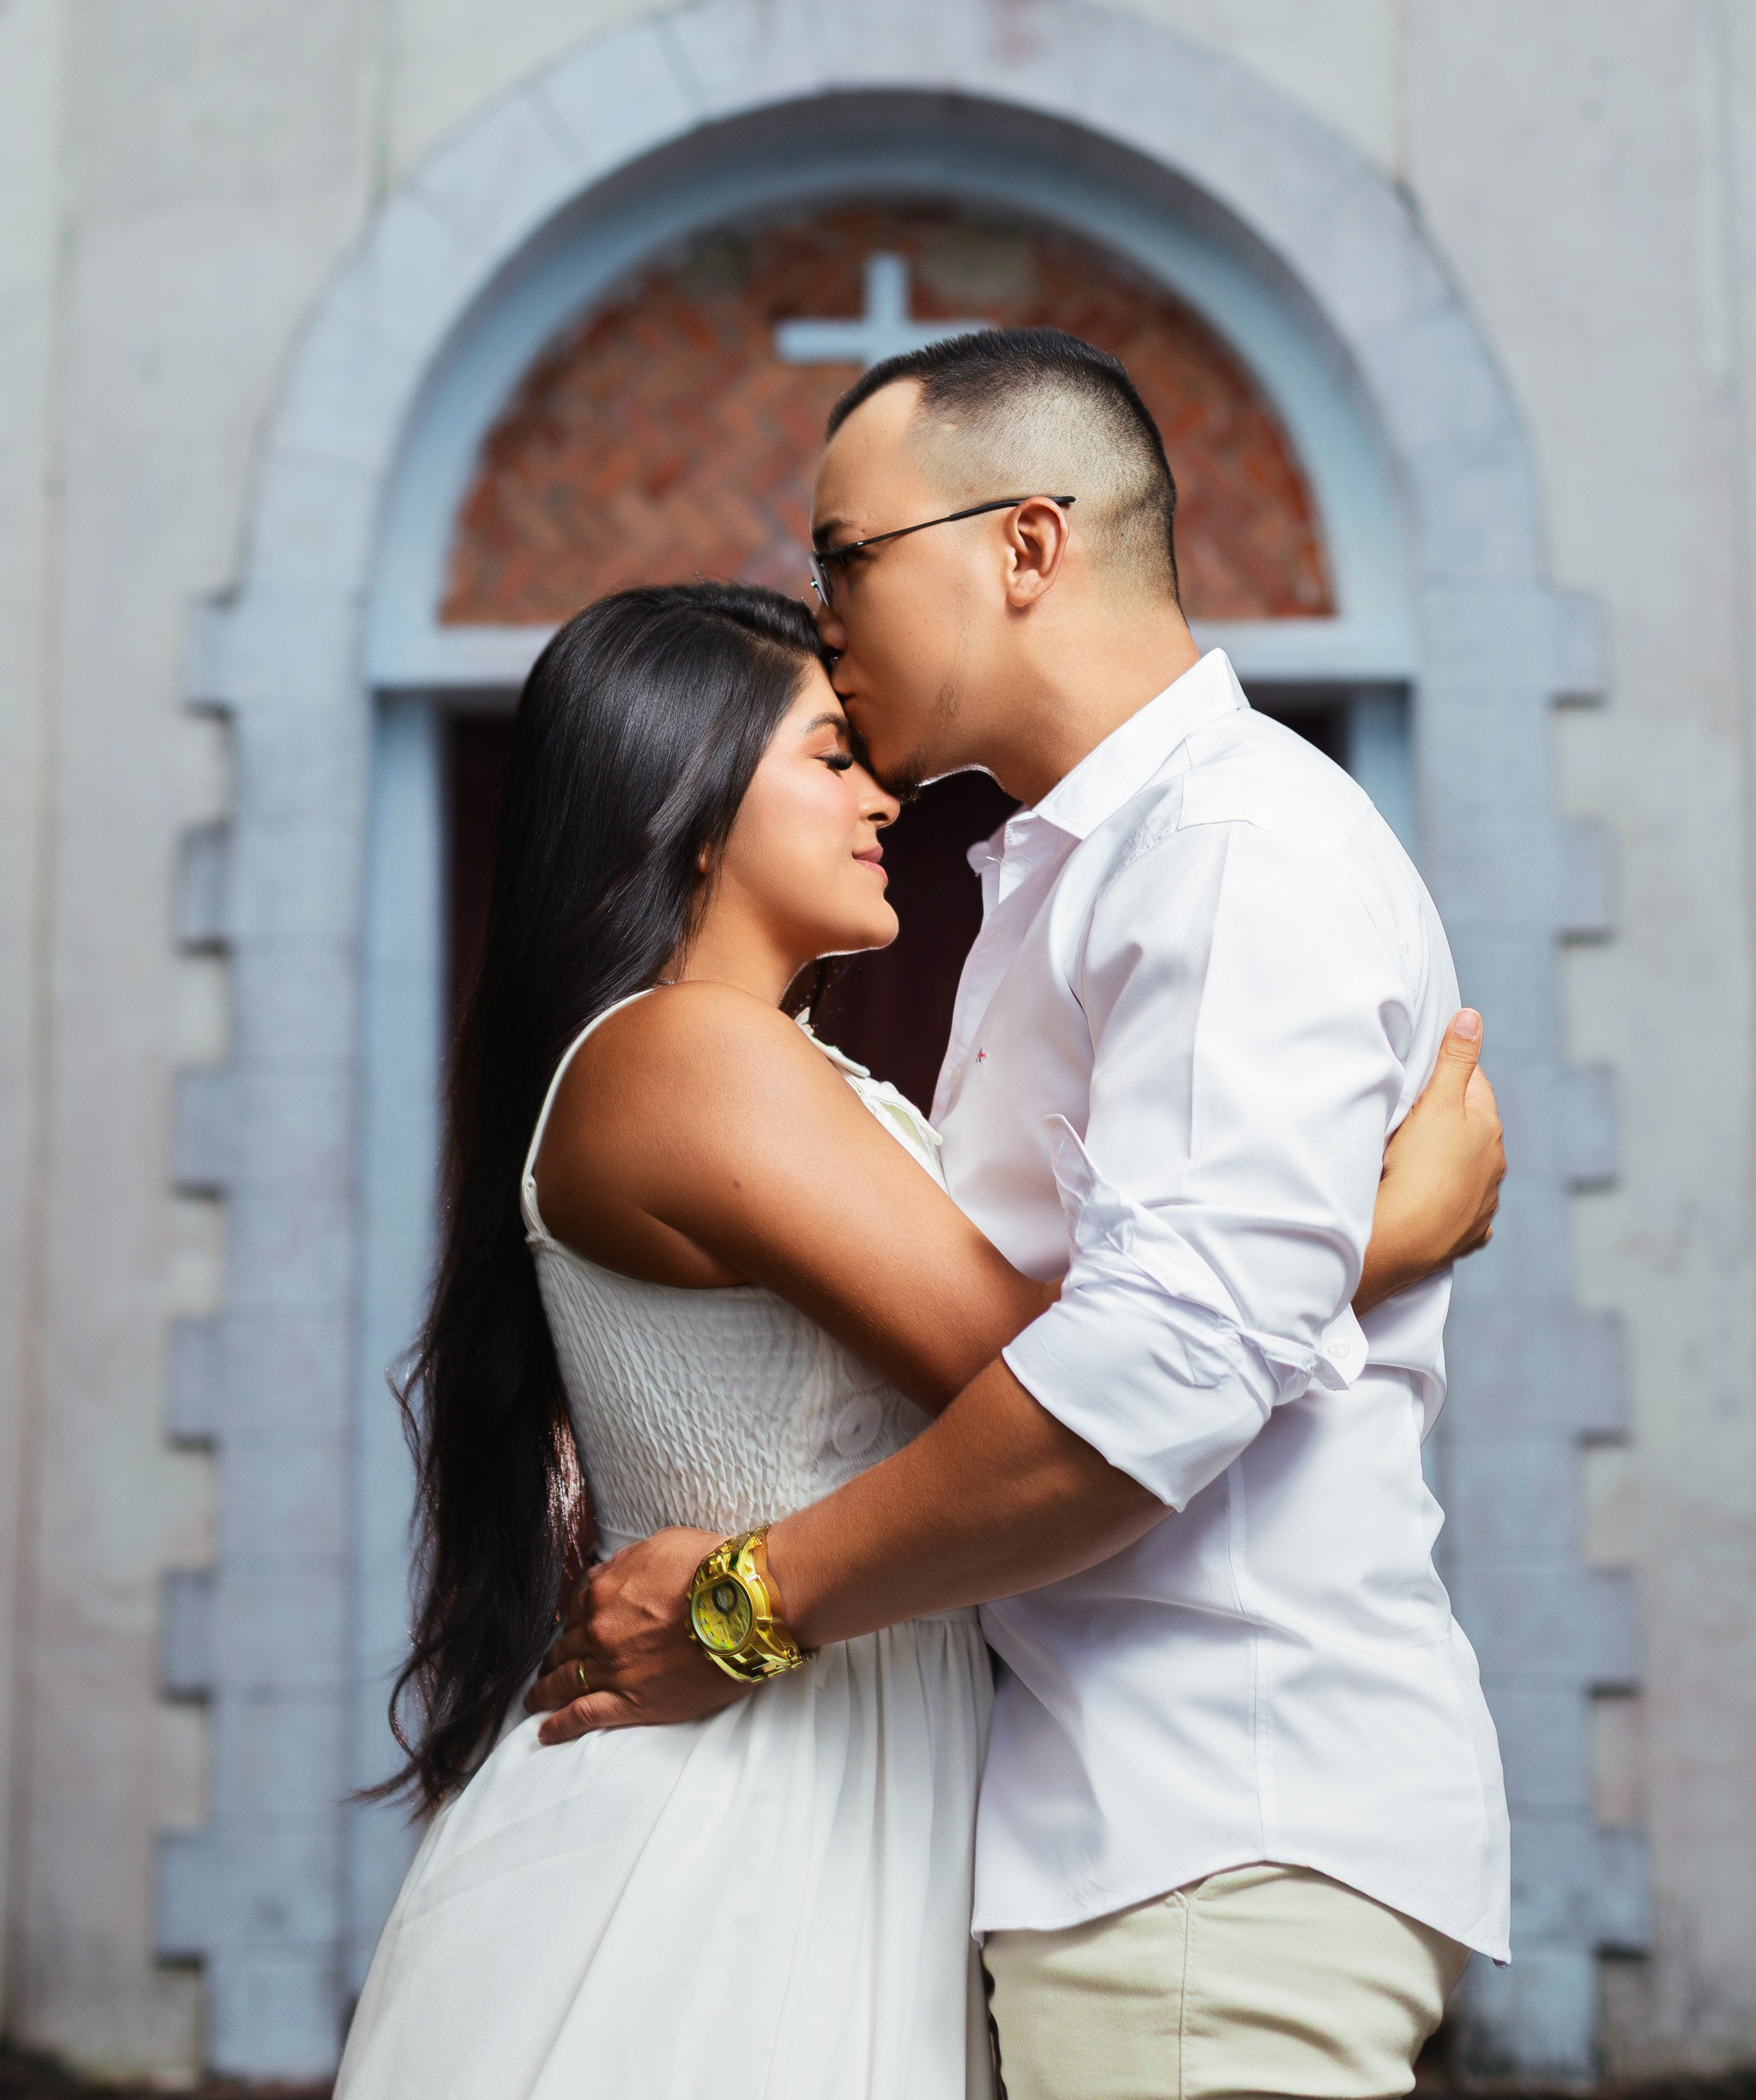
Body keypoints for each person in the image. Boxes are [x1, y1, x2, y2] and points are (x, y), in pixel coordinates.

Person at [337, 572, 1501, 2100]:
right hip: (729, 1821)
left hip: (844, 1773)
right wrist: (1377, 1242)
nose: (880, 796)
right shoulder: (689, 1056)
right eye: (827, 759)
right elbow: (1041, 1377)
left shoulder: (760, 1065)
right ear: (681, 806)